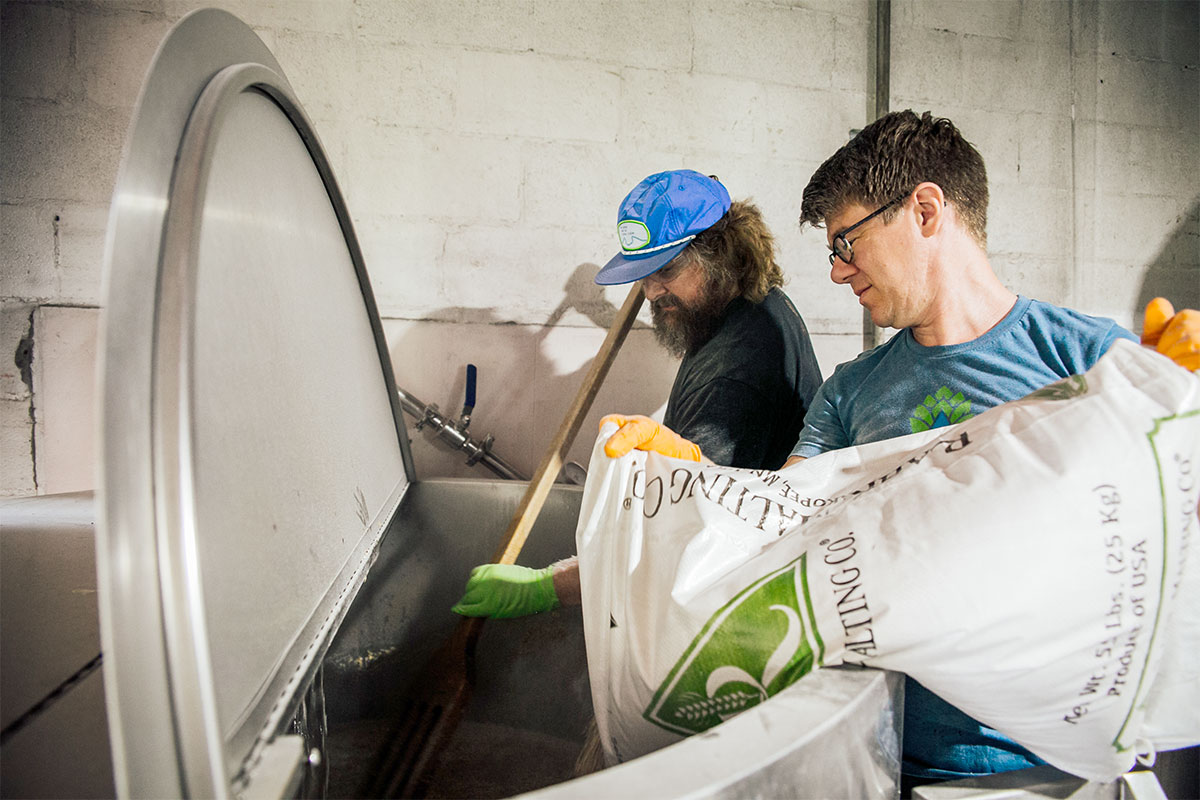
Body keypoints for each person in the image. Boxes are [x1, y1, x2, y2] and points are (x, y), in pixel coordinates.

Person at [603, 111, 1199, 788]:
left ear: (923, 211)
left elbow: (1173, 552)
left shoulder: (1093, 362)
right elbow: (786, 528)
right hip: (884, 754)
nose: (837, 272)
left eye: (846, 243)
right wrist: (700, 491)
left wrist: (1189, 423)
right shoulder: (849, 394)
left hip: (1058, 768)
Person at [451, 169, 823, 618]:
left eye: (665, 270)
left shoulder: (735, 376)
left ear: (722, 256)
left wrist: (544, 587)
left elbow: (676, 535)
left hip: (738, 602)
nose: (650, 292)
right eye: (644, 272)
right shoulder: (750, 306)